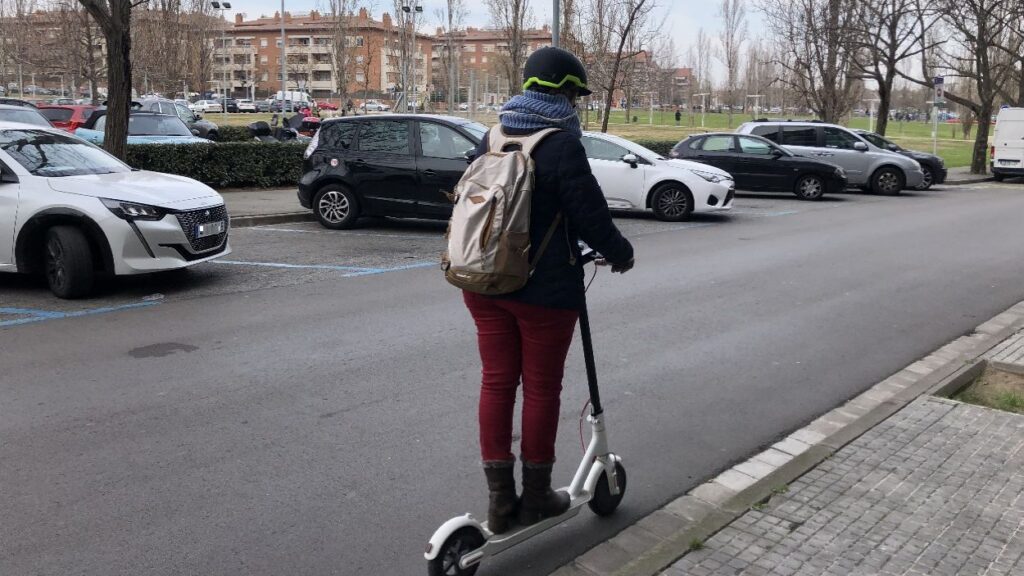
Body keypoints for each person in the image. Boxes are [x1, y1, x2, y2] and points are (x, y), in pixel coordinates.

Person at [461, 46, 634, 534]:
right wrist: (621, 254)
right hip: (545, 293)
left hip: (483, 282)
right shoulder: (561, 145)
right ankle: (536, 497)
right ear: (562, 91)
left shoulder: (490, 136)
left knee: (496, 382)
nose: (577, 105)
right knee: (541, 389)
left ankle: (500, 502)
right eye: (575, 95)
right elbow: (591, 216)